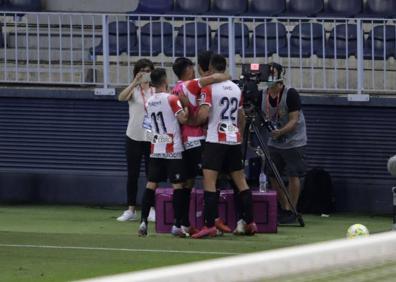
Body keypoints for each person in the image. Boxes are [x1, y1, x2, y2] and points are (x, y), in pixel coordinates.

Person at [191, 54, 257, 239]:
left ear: (211, 69)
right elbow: (241, 116)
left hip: (215, 140)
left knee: (209, 182)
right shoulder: (236, 89)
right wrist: (240, 135)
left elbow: (203, 115)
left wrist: (192, 121)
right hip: (233, 138)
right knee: (240, 181)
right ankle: (250, 222)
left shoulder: (209, 88)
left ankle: (210, 225)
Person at [171, 54, 232, 235]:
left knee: (187, 182)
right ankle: (211, 221)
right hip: (196, 138)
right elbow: (221, 77)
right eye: (193, 67)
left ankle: (181, 223)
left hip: (183, 140)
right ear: (188, 70)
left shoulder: (174, 89)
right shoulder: (191, 85)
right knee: (210, 177)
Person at [138, 68, 189, 237]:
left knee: (151, 184)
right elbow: (183, 119)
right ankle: (176, 225)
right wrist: (186, 105)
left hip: (156, 149)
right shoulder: (172, 99)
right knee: (177, 186)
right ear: (165, 81)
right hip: (173, 148)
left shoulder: (149, 102)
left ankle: (143, 222)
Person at [261, 62, 307, 224]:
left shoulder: (291, 93)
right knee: (273, 174)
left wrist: (280, 131)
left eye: (272, 73)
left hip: (294, 140)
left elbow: (294, 120)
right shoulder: (263, 94)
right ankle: (284, 207)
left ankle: (292, 210)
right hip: (274, 140)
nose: (269, 76)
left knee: (294, 174)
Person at [117, 59, 156, 222]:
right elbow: (121, 97)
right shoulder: (134, 90)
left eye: (148, 70)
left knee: (151, 174)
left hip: (150, 137)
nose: (145, 73)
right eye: (142, 70)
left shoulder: (156, 90)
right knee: (132, 174)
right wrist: (134, 82)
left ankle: (151, 208)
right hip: (133, 136)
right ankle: (131, 209)